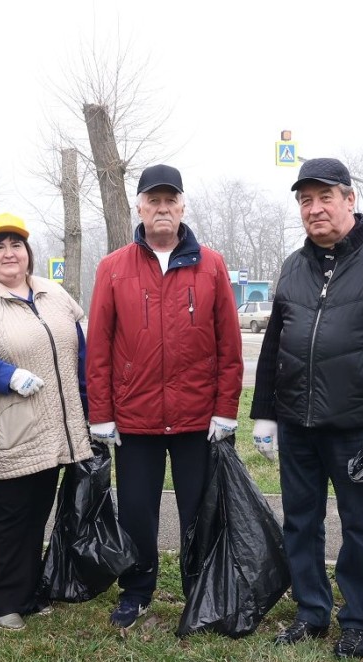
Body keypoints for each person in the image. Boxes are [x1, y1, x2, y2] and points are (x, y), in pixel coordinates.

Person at [250, 157, 363, 659]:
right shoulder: (293, 265)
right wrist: (265, 413)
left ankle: (356, 619)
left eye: (325, 197)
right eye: (305, 200)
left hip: (359, 426)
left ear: (350, 199)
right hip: (298, 424)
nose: (315, 208)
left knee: (359, 525)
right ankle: (311, 612)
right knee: (300, 521)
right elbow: (275, 347)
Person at [86, 164, 244, 630]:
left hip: (197, 418)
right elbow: (99, 347)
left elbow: (229, 346)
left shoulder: (210, 264)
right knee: (137, 509)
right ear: (139, 206)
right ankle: (136, 590)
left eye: (169, 200)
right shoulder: (113, 268)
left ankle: (200, 588)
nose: (161, 208)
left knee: (200, 509)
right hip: (135, 419)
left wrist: (226, 410)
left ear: (182, 206)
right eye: (152, 200)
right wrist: (101, 414)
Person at [0, 213, 92, 630]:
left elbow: (79, 353)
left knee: (37, 510)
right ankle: (4, 599)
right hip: (5, 429)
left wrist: (88, 405)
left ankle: (27, 592)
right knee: (9, 514)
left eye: (17, 245)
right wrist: (7, 375)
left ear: (28, 253)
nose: (9, 254)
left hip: (52, 427)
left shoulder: (53, 295)